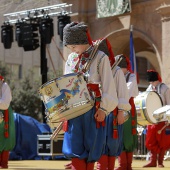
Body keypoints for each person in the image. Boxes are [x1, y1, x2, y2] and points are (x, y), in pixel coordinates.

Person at [62, 22, 118, 170]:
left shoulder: (100, 57)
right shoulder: (72, 59)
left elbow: (108, 86)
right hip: (74, 108)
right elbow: (66, 83)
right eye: (69, 48)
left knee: (91, 144)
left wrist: (104, 109)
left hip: (93, 108)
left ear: (83, 41)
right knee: (74, 143)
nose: (72, 50)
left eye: (74, 46)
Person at [94, 39, 131, 170]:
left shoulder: (116, 71)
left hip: (113, 114)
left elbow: (122, 93)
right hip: (98, 112)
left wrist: (121, 112)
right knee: (99, 144)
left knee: (112, 145)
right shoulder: (95, 69)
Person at [114, 54, 139, 170]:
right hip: (119, 105)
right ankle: (123, 164)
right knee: (121, 134)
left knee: (127, 135)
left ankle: (127, 165)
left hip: (128, 106)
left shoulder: (131, 76)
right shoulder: (117, 75)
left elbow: (127, 91)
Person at [143, 70, 170, 168]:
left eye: (152, 81)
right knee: (151, 140)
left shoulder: (165, 88)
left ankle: (160, 162)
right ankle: (152, 161)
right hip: (152, 119)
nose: (151, 83)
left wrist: (168, 118)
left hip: (162, 118)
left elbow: (168, 103)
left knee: (162, 141)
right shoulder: (149, 88)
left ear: (156, 80)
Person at [0, 75, 15, 169]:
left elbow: (5, 104)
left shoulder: (4, 85)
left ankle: (3, 162)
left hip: (4, 115)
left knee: (5, 138)